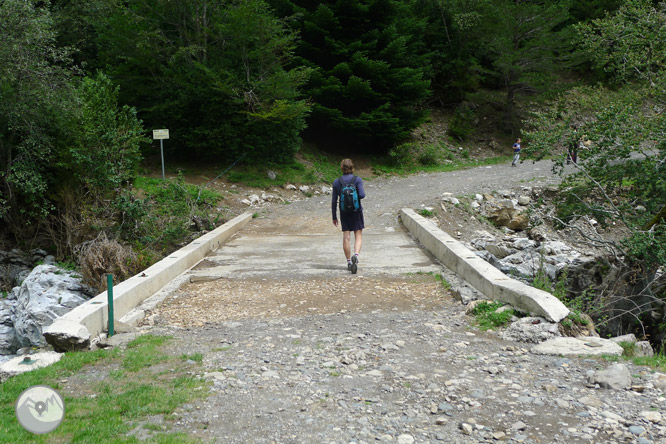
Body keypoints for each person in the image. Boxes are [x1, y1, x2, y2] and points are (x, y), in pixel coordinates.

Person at [331, 158, 365, 273]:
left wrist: (334, 217)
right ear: (352, 167)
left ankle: (349, 261)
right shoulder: (357, 180)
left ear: (341, 168)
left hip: (344, 212)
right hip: (356, 211)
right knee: (358, 234)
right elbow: (362, 195)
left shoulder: (337, 182)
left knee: (346, 237)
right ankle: (356, 255)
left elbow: (334, 200)